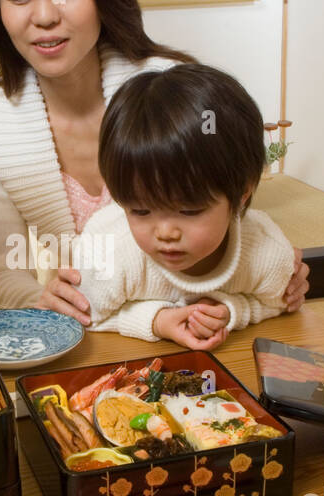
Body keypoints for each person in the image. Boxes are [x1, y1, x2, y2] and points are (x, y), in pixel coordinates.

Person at [0, 0, 310, 323]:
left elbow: (227, 207)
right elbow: (1, 272)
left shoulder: (168, 84)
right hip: (92, 324)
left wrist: (277, 267)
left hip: (205, 323)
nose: (45, 15)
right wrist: (41, 300)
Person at [74, 65, 296, 350]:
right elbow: (85, 315)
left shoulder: (266, 252)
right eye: (141, 211)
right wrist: (158, 321)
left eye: (189, 211)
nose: (165, 232)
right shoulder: (110, 254)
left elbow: (277, 302)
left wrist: (232, 311)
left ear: (243, 192)